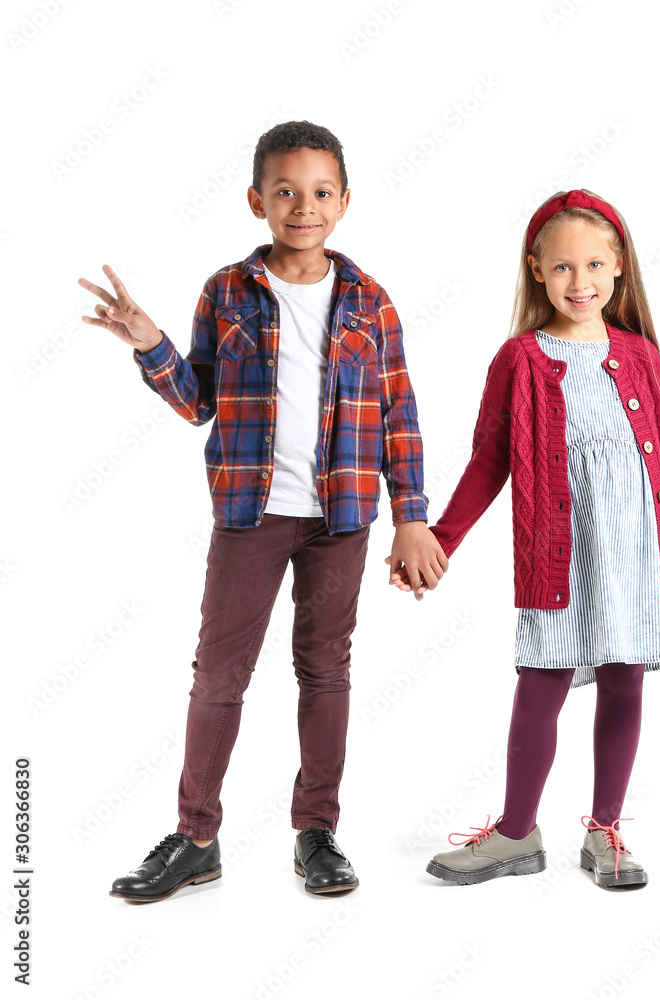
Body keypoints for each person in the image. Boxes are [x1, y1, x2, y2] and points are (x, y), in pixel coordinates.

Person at [79, 120, 448, 901]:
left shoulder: (369, 301)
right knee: (219, 672)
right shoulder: (227, 291)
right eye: (284, 191)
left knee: (324, 669)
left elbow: (399, 412)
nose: (301, 206)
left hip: (341, 519)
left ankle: (316, 832)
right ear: (256, 200)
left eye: (318, 192)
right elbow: (198, 403)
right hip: (250, 514)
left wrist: (411, 513)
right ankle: (195, 837)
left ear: (344, 201)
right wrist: (149, 344)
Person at [390, 188, 660, 889]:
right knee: (540, 683)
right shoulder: (520, 360)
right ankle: (514, 833)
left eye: (595, 264)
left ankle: (605, 831)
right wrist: (440, 539)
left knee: (624, 681)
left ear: (619, 267)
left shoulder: (638, 356)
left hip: (635, 556)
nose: (580, 281)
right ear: (535, 269)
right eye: (563, 267)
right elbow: (488, 460)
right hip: (557, 557)